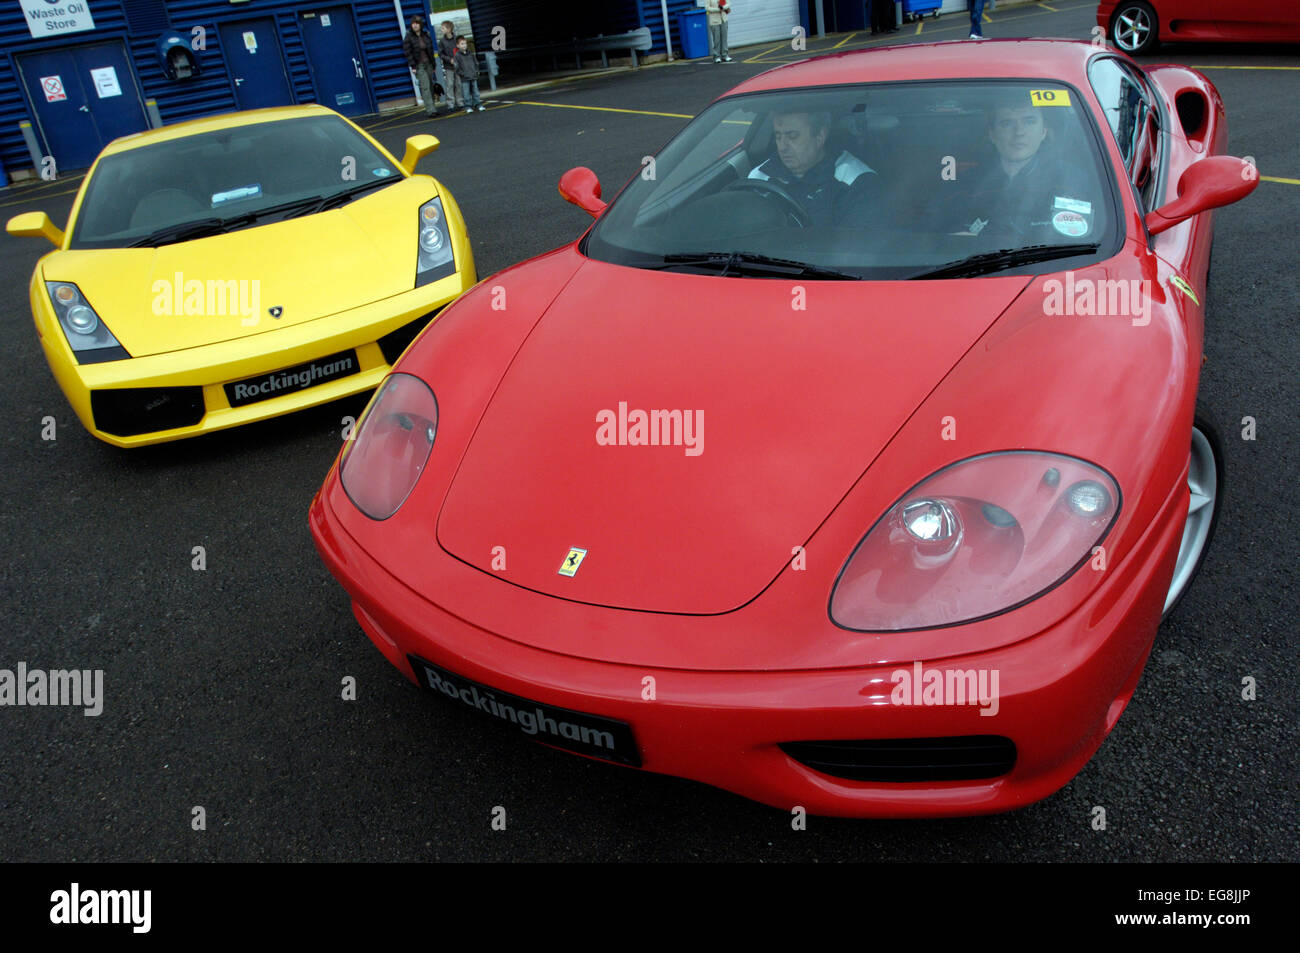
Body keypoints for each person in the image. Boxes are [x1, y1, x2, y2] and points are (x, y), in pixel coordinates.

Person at [952, 98, 1094, 244]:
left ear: (1044, 131)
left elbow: (1081, 243)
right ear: (992, 135)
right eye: (1007, 123)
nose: (1019, 132)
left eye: (1029, 121)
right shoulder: (966, 185)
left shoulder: (1070, 181)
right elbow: (938, 236)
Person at [747, 110, 876, 226]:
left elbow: (856, 248)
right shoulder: (759, 177)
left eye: (792, 136)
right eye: (778, 137)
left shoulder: (856, 182)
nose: (782, 147)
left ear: (820, 136)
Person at [403, 15, 439, 116]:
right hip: (419, 65)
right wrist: (413, 66)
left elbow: (430, 50)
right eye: (413, 24)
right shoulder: (409, 37)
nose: (415, 26)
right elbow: (408, 53)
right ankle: (431, 110)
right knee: (425, 86)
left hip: (428, 63)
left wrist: (433, 64)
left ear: (420, 25)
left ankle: (433, 107)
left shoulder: (425, 35)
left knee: (431, 86)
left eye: (417, 24)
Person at [453, 36, 484, 113]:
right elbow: (456, 67)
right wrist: (462, 74)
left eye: (465, 43)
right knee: (466, 93)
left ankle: (478, 104)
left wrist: (476, 71)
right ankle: (468, 106)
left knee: (475, 92)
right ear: (458, 45)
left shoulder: (471, 53)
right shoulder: (457, 56)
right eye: (462, 44)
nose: (464, 45)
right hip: (464, 78)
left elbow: (476, 62)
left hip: (473, 76)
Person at [438, 20, 459, 109]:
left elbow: (461, 50)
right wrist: (448, 59)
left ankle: (460, 102)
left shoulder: (457, 39)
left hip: (458, 66)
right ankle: (450, 104)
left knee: (458, 84)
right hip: (448, 66)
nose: (441, 30)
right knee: (449, 85)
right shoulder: (442, 41)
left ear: (449, 29)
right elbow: (440, 54)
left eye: (443, 28)